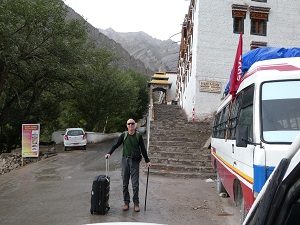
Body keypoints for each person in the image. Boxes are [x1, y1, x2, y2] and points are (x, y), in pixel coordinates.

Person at [105, 118, 151, 212]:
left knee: (135, 184)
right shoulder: (124, 135)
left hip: (134, 161)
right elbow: (116, 145)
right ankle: (126, 203)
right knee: (125, 184)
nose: (130, 125)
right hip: (125, 160)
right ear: (127, 126)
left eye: (132, 124)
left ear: (135, 125)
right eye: (129, 124)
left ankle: (136, 204)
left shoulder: (138, 136)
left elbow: (143, 149)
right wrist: (109, 153)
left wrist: (147, 161)